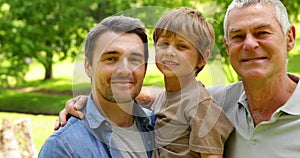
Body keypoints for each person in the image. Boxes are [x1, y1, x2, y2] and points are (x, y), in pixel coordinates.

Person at [56, 7, 234, 158]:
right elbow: (134, 91)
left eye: (182, 46)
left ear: (203, 58)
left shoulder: (201, 105)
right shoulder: (163, 99)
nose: (170, 52)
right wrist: (88, 100)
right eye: (164, 44)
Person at [38, 15, 155, 158]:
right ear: (88, 66)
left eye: (134, 59)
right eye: (111, 58)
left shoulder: (160, 126)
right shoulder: (64, 147)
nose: (124, 69)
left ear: (145, 68)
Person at [207, 0, 300, 157]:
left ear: (289, 38)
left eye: (262, 33)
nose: (249, 44)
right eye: (238, 36)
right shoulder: (213, 104)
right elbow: (170, 98)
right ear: (228, 47)